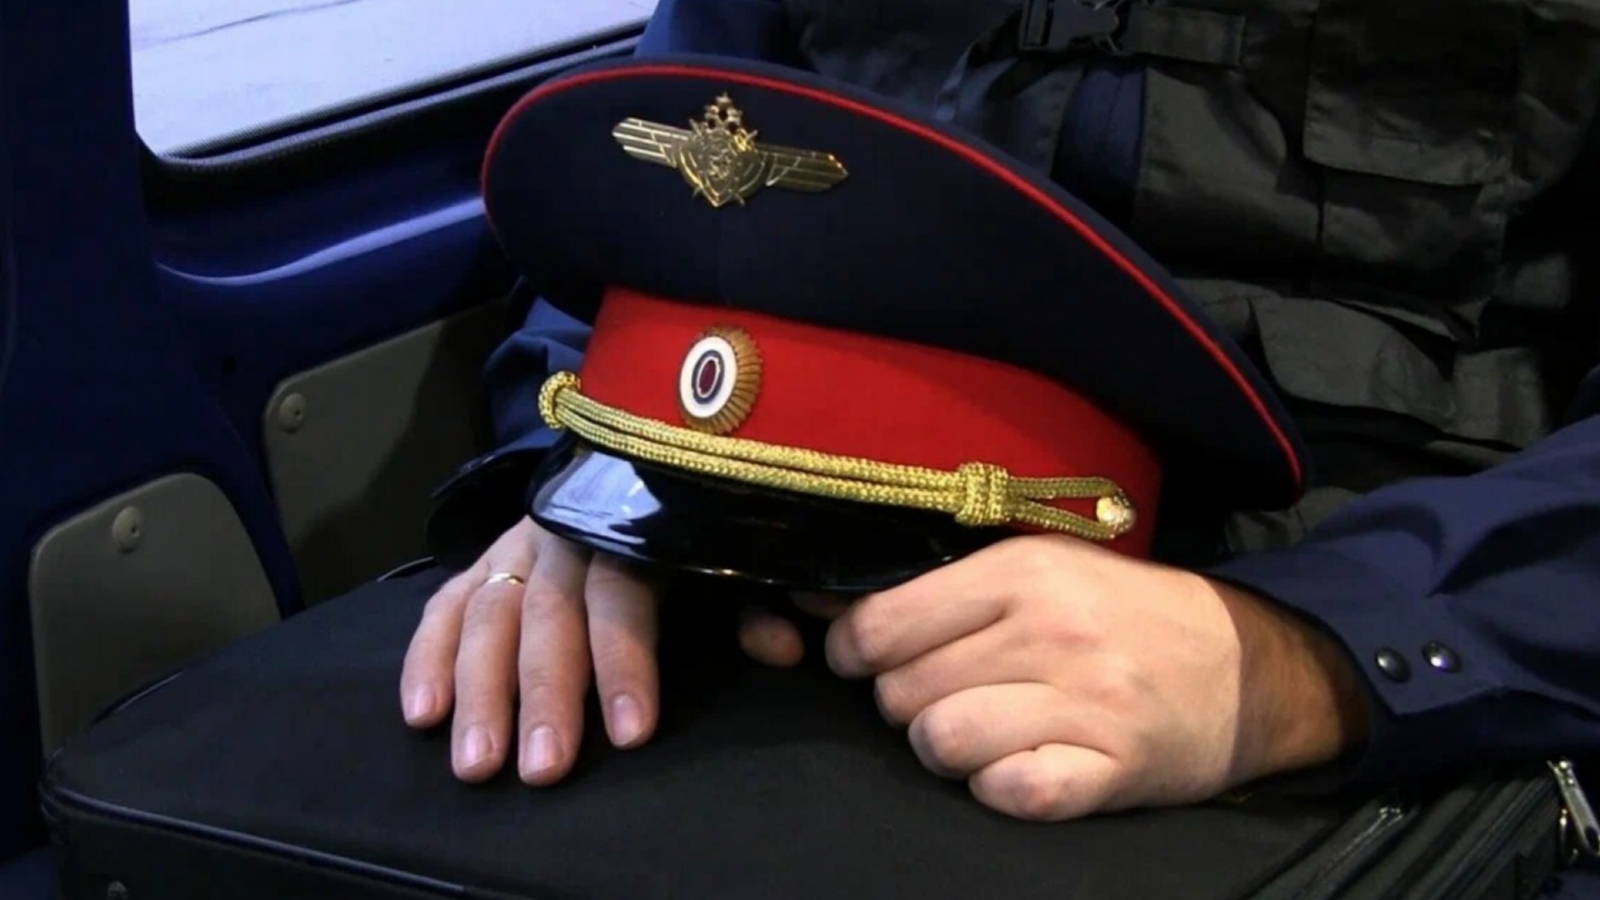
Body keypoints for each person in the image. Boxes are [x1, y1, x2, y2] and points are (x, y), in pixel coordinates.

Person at [400, 0, 1600, 853]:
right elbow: (662, 180)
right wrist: (593, 472)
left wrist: (1312, 665)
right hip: (770, 585)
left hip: (1371, 644)